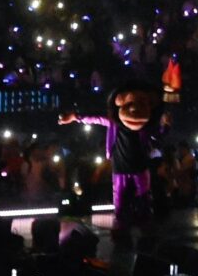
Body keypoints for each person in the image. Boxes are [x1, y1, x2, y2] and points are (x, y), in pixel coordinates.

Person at [61, 84, 167, 236]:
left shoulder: (146, 127)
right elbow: (95, 118)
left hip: (140, 167)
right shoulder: (114, 123)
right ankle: (122, 229)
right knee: (120, 201)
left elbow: (158, 136)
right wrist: (75, 117)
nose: (134, 109)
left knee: (143, 199)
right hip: (121, 169)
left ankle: (145, 229)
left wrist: (165, 125)